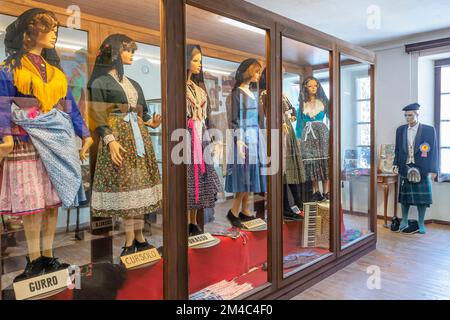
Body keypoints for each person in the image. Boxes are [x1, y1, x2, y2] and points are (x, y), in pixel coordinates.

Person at [393, 102, 438, 234]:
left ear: (417, 114)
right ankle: (405, 220)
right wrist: (395, 164)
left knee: (422, 200)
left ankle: (421, 223)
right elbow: (397, 149)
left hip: (422, 168)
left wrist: (434, 169)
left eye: (410, 115)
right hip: (405, 167)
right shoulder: (400, 129)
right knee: (404, 198)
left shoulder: (429, 130)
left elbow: (434, 150)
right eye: (406, 116)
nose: (408, 118)